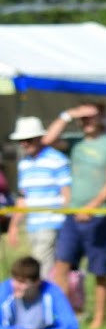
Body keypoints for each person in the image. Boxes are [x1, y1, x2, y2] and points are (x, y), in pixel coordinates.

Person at [42, 102, 106, 329]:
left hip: (99, 217)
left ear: (101, 118)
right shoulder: (75, 143)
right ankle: (67, 315)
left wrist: (92, 207)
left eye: (91, 116)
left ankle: (98, 320)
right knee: (61, 267)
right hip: (72, 215)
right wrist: (68, 114)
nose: (87, 121)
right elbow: (47, 141)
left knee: (99, 271)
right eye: (83, 118)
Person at [6, 116, 72, 278]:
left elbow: (67, 194)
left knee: (40, 271)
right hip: (33, 225)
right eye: (21, 140)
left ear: (39, 138)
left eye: (28, 140)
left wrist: (67, 221)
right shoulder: (24, 164)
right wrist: (14, 226)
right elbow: (23, 198)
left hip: (52, 223)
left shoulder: (57, 160)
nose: (24, 144)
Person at [0, 255, 77, 329]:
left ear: (37, 282)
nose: (16, 285)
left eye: (22, 282)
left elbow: (71, 325)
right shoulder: (5, 290)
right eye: (15, 280)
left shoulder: (52, 291)